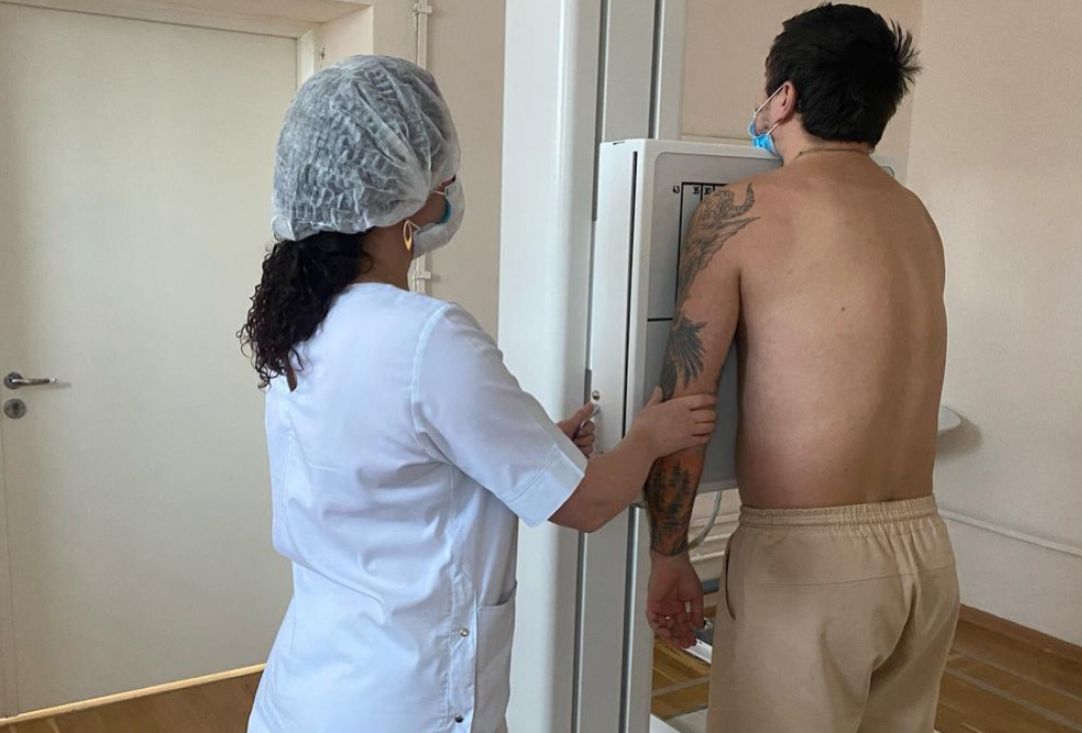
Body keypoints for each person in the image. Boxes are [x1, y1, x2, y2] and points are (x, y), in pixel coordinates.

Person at [239, 56, 717, 733]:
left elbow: (392, 467)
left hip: (307, 689)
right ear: (404, 197)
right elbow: (586, 504)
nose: (449, 189)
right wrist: (650, 437)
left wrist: (531, 447)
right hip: (404, 707)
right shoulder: (427, 336)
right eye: (439, 173)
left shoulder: (304, 323)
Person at [642, 5, 958, 732]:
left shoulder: (742, 210)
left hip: (808, 566)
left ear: (783, 97)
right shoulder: (915, 216)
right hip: (925, 553)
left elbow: (686, 402)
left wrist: (669, 552)